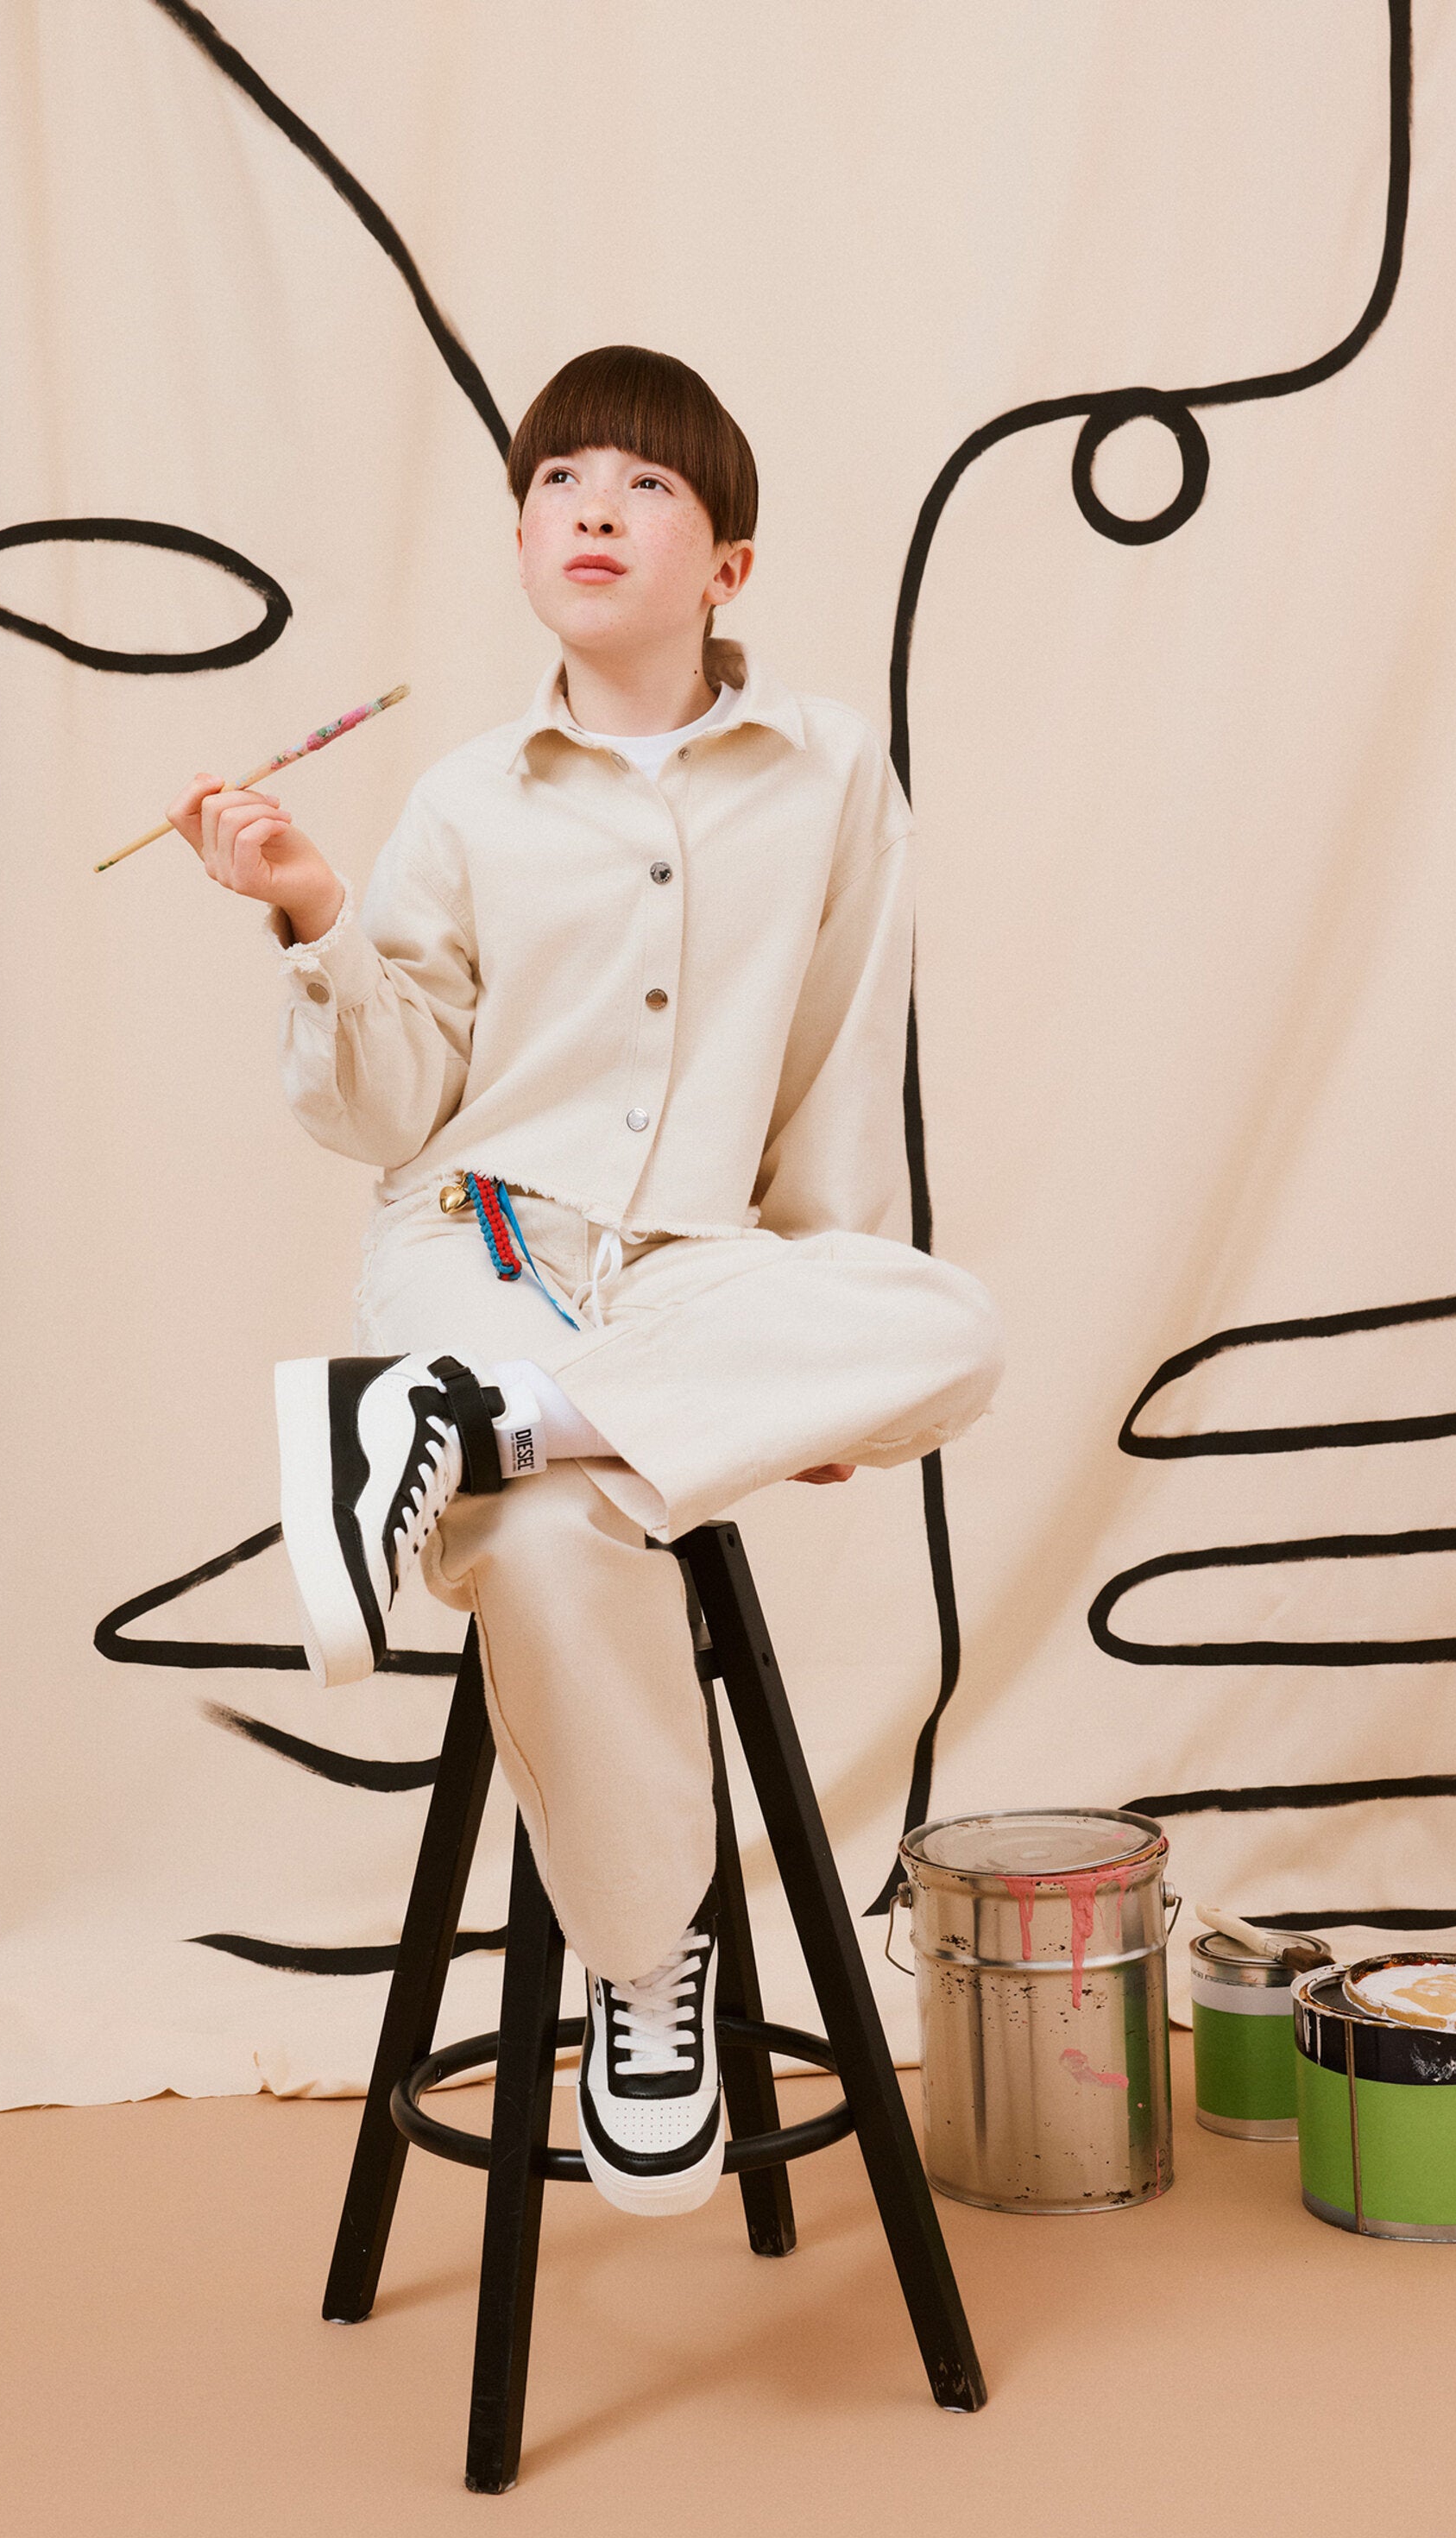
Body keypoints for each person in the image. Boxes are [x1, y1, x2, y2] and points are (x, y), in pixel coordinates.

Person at [166, 344, 1003, 2217]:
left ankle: (468, 1432)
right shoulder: (465, 800)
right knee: (546, 1543)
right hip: (479, 1247)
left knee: (951, 1326)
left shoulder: (830, 773)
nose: (592, 510)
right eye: (557, 481)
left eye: (644, 485)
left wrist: (808, 1353)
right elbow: (385, 1112)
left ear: (729, 564)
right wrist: (312, 911)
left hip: (700, 1284)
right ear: (525, 535)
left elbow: (839, 1060)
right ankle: (644, 1975)